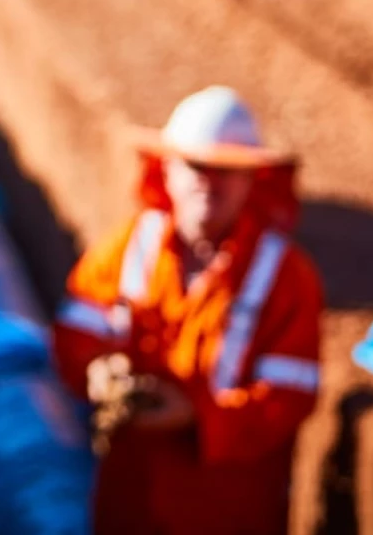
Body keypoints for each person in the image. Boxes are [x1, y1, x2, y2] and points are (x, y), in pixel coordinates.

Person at [52, 86, 325, 535]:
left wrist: (197, 415)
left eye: (226, 170)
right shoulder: (127, 249)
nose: (209, 182)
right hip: (129, 504)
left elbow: (288, 397)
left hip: (226, 513)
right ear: (166, 169)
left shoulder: (285, 276)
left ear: (253, 178)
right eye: (195, 165)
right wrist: (98, 371)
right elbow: (74, 334)